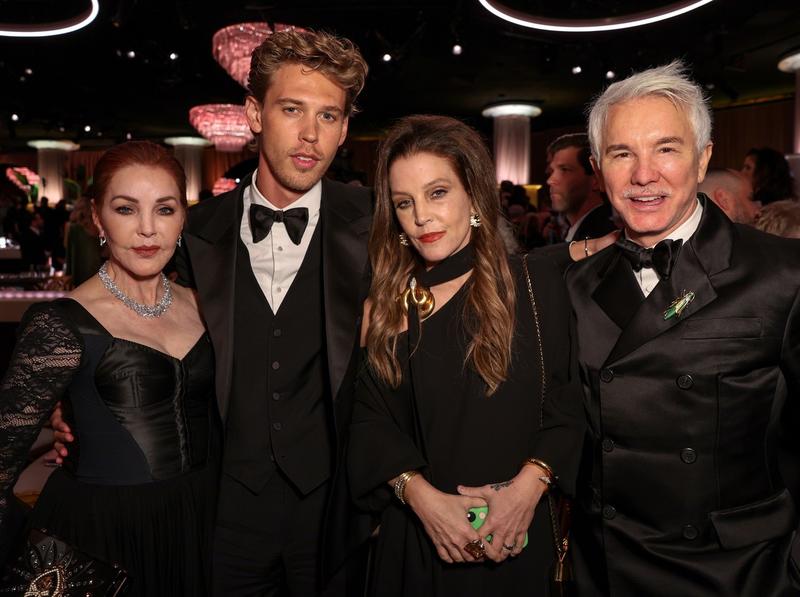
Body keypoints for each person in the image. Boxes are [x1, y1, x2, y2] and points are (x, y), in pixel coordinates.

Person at [565, 60, 800, 596]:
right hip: (607, 570)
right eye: (623, 154)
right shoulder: (573, 285)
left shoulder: (785, 273)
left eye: (666, 149)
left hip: (741, 573)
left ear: (703, 160)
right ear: (600, 171)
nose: (644, 174)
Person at [348, 115, 586, 596]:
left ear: (474, 195)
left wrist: (527, 490)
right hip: (418, 541)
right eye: (404, 202)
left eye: (438, 193)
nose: (421, 217)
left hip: (519, 539)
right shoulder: (382, 308)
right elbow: (366, 423)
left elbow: (570, 402)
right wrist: (420, 498)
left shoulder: (534, 286)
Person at [0, 141, 218, 596]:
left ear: (182, 217)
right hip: (106, 534)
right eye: (125, 209)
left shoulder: (206, 306)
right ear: (98, 218)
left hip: (203, 520)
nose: (146, 229)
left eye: (164, 209)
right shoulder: (59, 323)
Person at [546, 132, 617, 242]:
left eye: (565, 170)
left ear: (596, 180)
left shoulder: (602, 238)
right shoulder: (583, 230)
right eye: (551, 171)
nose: (550, 180)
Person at [65, 194, 104, 285]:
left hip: (92, 269)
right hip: (88, 269)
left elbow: (69, 251)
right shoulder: (75, 229)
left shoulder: (97, 226)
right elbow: (69, 251)